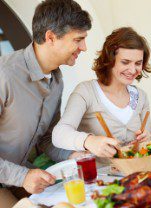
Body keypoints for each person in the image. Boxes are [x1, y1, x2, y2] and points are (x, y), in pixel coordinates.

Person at [0, 0, 91, 206]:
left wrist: (73, 154)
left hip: (20, 173)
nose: (83, 47)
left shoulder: (56, 81)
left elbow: (47, 138)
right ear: (50, 37)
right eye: (78, 39)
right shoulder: (4, 75)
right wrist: (22, 177)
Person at [52, 27, 151, 162]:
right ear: (110, 60)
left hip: (136, 175)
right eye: (125, 62)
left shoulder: (141, 97)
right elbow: (59, 134)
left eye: (138, 63)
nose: (133, 69)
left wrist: (146, 140)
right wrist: (89, 140)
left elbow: (148, 145)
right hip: (99, 180)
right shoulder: (86, 92)